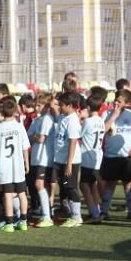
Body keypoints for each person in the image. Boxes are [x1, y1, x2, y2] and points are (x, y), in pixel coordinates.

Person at [0, 96, 30, 233]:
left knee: (7, 194)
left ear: (2, 111)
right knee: (22, 193)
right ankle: (23, 221)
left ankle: (9, 223)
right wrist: (26, 163)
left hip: (4, 167)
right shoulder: (19, 127)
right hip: (18, 166)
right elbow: (25, 147)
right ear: (15, 111)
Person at [99, 89, 131, 221]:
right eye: (116, 100)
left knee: (129, 183)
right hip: (110, 156)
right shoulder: (107, 114)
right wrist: (114, 115)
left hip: (126, 157)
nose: (116, 103)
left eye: (120, 101)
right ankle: (104, 211)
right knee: (110, 184)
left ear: (128, 104)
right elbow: (102, 130)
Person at [52, 91, 84, 227]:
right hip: (59, 159)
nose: (59, 107)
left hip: (69, 160)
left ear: (70, 106)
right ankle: (71, 214)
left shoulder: (72, 120)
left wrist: (69, 164)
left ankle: (77, 217)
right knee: (64, 187)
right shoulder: (63, 117)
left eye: (62, 105)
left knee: (71, 188)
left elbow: (73, 142)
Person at [27, 93, 58, 228]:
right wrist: (34, 137)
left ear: (46, 106)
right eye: (36, 105)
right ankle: (46, 211)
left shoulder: (47, 119)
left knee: (40, 185)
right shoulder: (36, 120)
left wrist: (34, 137)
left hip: (45, 158)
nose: (36, 107)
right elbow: (28, 136)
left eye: (39, 105)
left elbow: (41, 138)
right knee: (41, 185)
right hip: (36, 158)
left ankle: (47, 216)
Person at [78, 95, 106, 223]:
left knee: (84, 185)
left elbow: (79, 134)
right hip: (97, 157)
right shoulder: (100, 121)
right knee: (93, 185)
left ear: (88, 108)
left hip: (87, 158)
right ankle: (96, 210)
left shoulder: (88, 122)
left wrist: (80, 119)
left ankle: (94, 213)